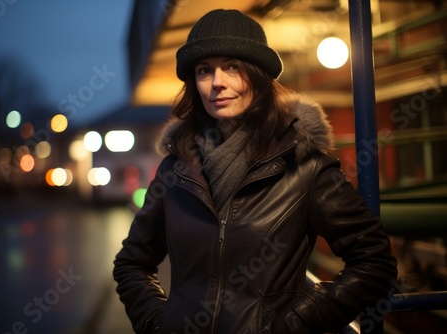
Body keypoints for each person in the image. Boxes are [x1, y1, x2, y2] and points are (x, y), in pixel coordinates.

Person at [114, 9, 397, 334]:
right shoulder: (174, 170)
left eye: (232, 67)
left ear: (259, 76)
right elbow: (131, 263)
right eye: (205, 70)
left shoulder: (304, 165)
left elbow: (375, 261)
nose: (217, 83)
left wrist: (296, 323)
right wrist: (158, 323)